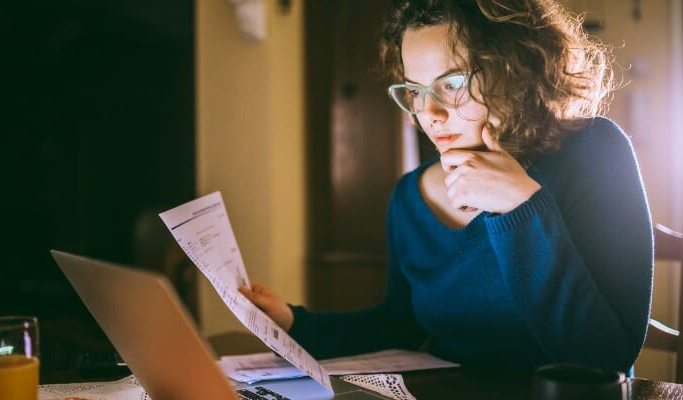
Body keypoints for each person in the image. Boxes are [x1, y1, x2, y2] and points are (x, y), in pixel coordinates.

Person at [240, 0, 652, 373]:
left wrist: (520, 205)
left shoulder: (596, 152)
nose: (429, 113)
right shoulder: (409, 197)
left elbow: (606, 356)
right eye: (415, 91)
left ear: (516, 68)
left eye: (452, 84)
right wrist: (295, 323)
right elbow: (397, 324)